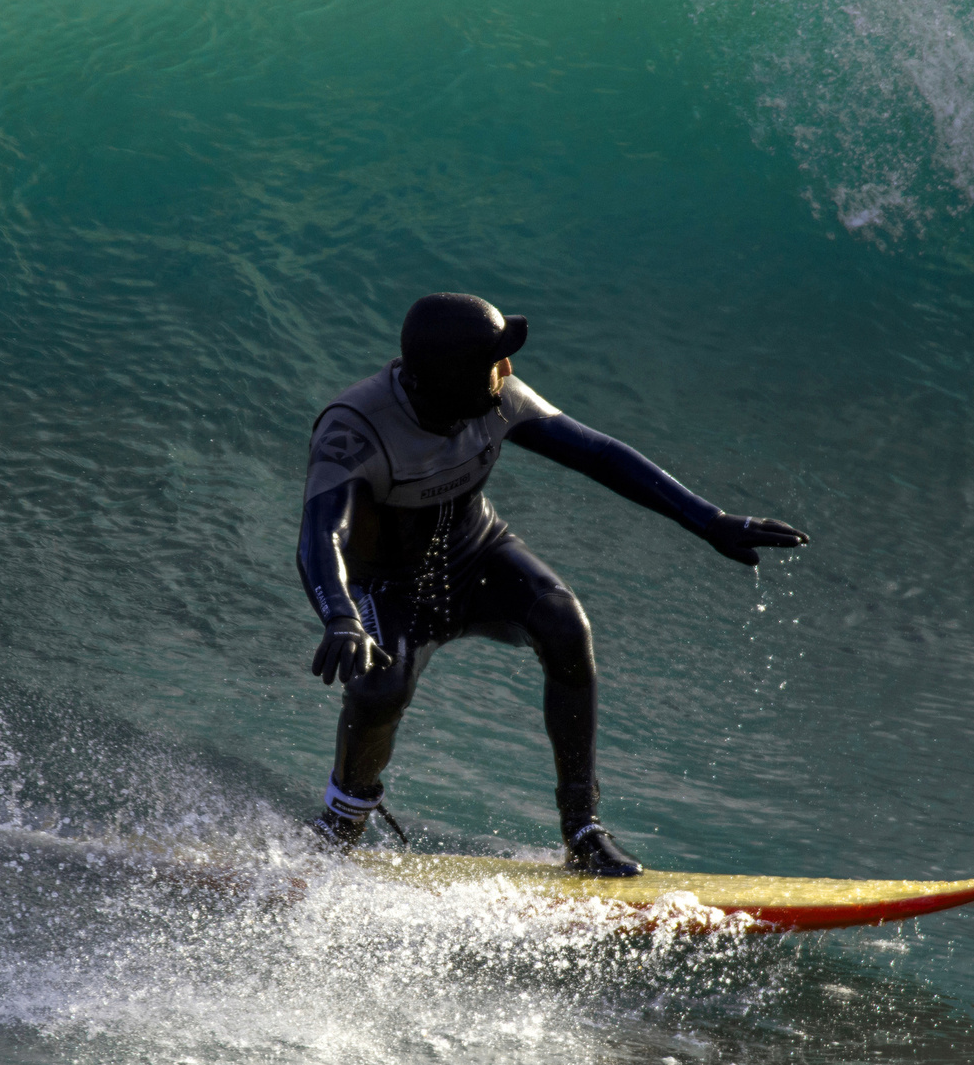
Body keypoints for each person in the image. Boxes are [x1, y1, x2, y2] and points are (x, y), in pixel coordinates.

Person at [296, 292, 809, 875]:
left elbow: (601, 454)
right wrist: (340, 614)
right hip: (390, 585)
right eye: (493, 361)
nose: (507, 369)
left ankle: (583, 829)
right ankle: (343, 819)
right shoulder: (355, 431)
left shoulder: (497, 397)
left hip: (477, 553)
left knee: (565, 624)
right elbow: (320, 536)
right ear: (448, 376)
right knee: (380, 687)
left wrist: (708, 519)